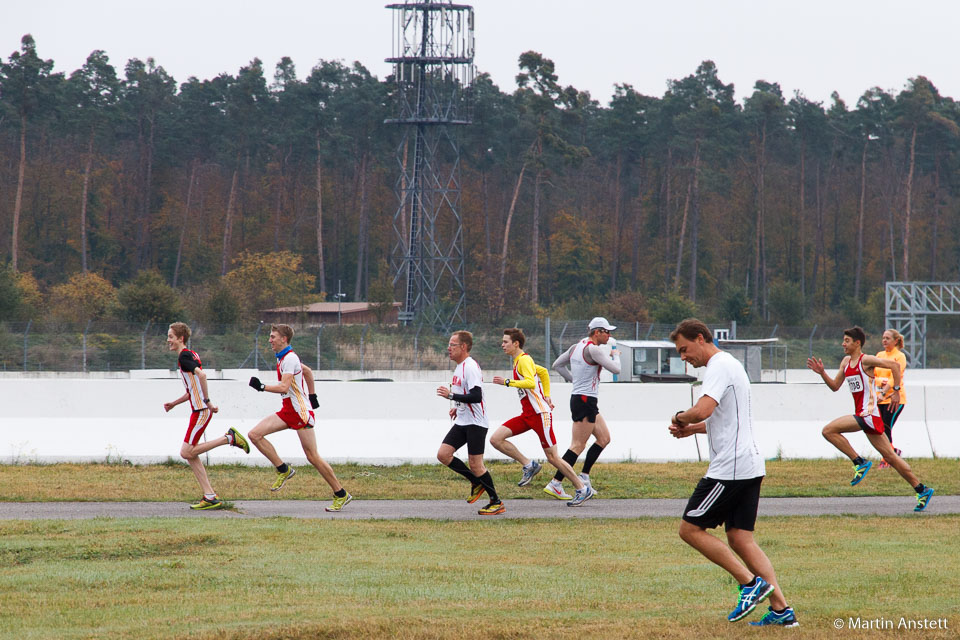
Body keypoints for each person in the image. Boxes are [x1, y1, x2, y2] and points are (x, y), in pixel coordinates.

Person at [668, 318, 797, 627]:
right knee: (740, 538)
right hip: (749, 464)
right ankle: (781, 610)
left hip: (731, 468)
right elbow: (722, 418)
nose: (684, 357)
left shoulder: (717, 367)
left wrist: (679, 418)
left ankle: (749, 583)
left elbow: (702, 410)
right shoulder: (728, 364)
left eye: (685, 350)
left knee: (690, 529)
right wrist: (693, 431)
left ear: (701, 338)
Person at [806, 326, 933, 512]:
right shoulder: (845, 362)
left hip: (868, 415)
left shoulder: (866, 360)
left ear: (857, 343)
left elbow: (895, 366)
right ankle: (922, 489)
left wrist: (896, 392)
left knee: (828, 430)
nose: (843, 344)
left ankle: (859, 462)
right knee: (890, 456)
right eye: (843, 340)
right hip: (865, 416)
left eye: (847, 341)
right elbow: (834, 386)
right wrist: (822, 373)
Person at [246, 324, 352, 512]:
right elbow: (308, 371)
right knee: (254, 435)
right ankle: (283, 469)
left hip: (300, 413)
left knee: (312, 456)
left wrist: (261, 387)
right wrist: (312, 396)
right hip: (289, 410)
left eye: (273, 337)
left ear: (283, 339)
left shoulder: (289, 358)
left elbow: (283, 387)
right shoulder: (284, 358)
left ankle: (341, 493)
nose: (270, 340)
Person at [489, 328, 595, 507]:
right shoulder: (519, 361)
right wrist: (546, 394)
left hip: (540, 415)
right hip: (527, 415)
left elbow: (530, 382)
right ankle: (529, 465)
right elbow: (544, 372)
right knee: (496, 439)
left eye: (505, 342)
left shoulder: (524, 360)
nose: (502, 345)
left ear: (516, 344)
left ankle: (581, 488)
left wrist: (508, 382)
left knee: (553, 457)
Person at [163, 322, 249, 510]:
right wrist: (174, 404)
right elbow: (192, 390)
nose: (168, 340)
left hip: (201, 411)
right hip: (199, 410)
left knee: (186, 452)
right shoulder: (191, 355)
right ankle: (209, 496)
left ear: (180, 338)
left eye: (171, 336)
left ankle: (229, 438)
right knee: (192, 455)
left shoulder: (184, 357)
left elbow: (201, 377)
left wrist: (208, 402)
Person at [545, 316, 621, 500]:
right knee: (577, 445)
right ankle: (555, 483)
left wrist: (574, 380)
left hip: (584, 399)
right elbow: (616, 370)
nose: (609, 335)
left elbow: (557, 365)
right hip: (585, 400)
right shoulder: (594, 349)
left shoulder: (576, 346)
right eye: (607, 331)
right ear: (597, 332)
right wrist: (616, 354)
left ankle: (584, 476)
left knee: (604, 438)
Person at [435, 330, 504, 516]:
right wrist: (457, 406)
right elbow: (465, 394)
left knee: (476, 464)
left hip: (476, 423)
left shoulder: (470, 367)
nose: (448, 348)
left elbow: (476, 395)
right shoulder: (459, 367)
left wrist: (450, 396)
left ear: (463, 347)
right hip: (463, 420)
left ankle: (496, 501)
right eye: (449, 345)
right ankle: (475, 482)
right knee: (443, 454)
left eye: (452, 345)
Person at [874, 329, 906, 468]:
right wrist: (881, 383)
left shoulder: (899, 356)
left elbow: (895, 377)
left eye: (887, 338)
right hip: (880, 398)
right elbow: (873, 374)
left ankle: (887, 458)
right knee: (880, 429)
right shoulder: (880, 355)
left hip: (894, 399)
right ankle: (892, 452)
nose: (884, 340)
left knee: (886, 427)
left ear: (896, 341)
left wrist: (884, 392)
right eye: (883, 338)